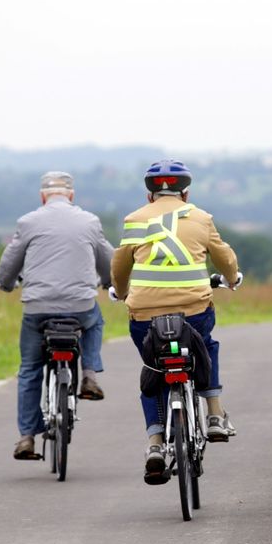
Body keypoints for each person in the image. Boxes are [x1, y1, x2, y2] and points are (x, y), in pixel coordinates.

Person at [111, 159, 241, 485]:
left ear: (149, 195)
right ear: (186, 192)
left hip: (145, 316)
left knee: (154, 369)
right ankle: (213, 413)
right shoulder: (200, 217)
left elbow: (120, 265)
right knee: (206, 345)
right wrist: (232, 278)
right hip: (193, 312)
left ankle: (155, 445)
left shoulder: (135, 220)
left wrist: (121, 291)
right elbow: (224, 256)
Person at [0, 171, 113, 460]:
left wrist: (7, 284)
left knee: (29, 369)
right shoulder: (89, 221)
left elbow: (9, 264)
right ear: (71, 196)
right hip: (81, 306)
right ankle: (89, 375)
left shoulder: (28, 222)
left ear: (42, 197)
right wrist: (111, 282)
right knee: (95, 320)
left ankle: (26, 437)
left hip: (38, 309)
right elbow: (108, 260)